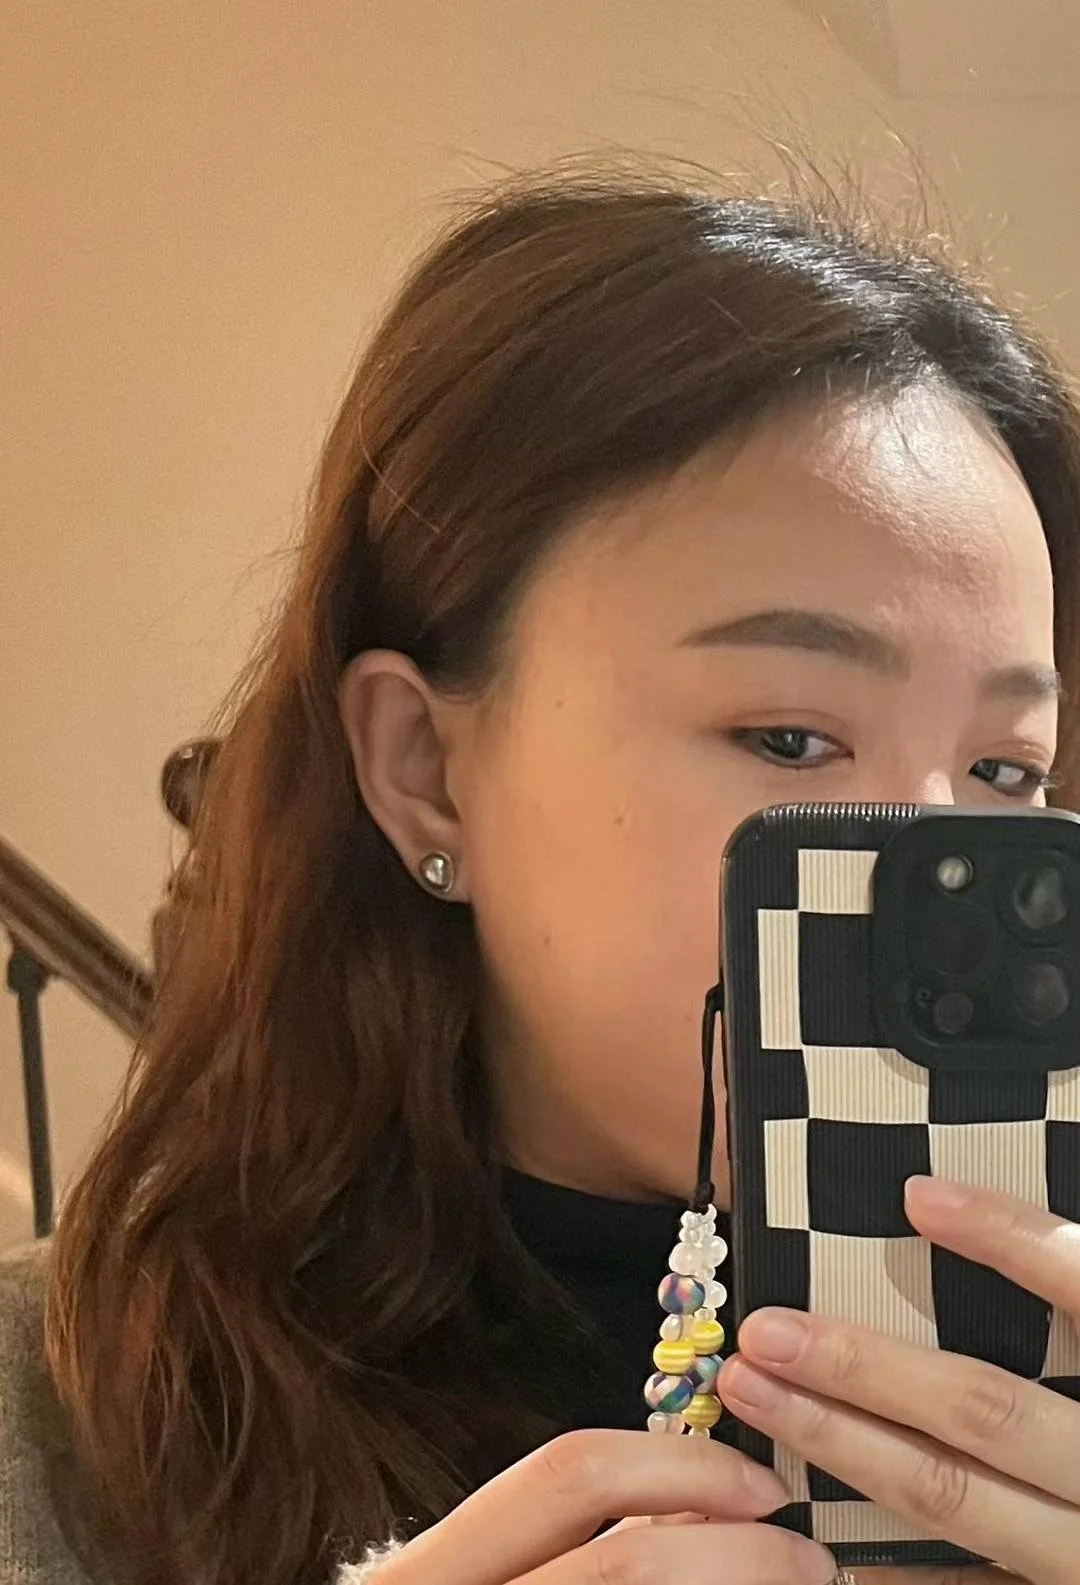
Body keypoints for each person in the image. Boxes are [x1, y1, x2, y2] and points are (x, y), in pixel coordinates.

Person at [3, 165, 1080, 1585]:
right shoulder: (48, 1426)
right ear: (424, 767)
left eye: (1004, 770)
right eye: (788, 736)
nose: (926, 853)